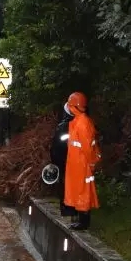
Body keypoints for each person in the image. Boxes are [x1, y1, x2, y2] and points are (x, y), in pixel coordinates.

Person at [63, 91, 102, 230]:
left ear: (74, 107)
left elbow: (87, 147)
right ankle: (81, 220)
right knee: (78, 191)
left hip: (82, 164)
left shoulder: (82, 123)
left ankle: (84, 222)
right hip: (77, 164)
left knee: (83, 192)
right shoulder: (77, 122)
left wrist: (91, 163)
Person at [50, 102, 76, 218]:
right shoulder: (83, 124)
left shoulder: (63, 127)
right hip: (77, 162)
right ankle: (75, 209)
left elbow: (56, 146)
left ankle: (67, 209)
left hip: (64, 161)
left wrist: (55, 162)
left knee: (65, 186)